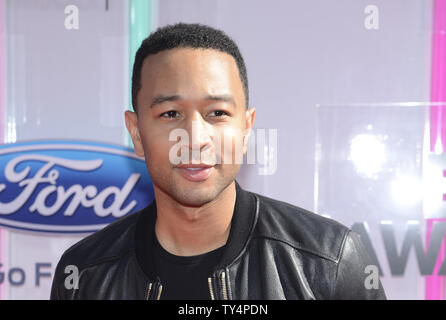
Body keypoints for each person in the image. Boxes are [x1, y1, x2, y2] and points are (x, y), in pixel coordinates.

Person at [50, 23, 386, 300]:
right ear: (136, 133)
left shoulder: (329, 263)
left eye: (217, 113)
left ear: (246, 128)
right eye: (170, 113)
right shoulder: (84, 275)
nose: (196, 138)